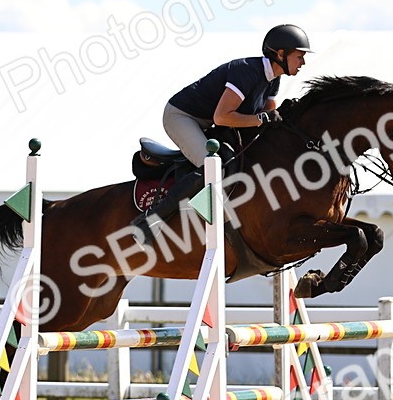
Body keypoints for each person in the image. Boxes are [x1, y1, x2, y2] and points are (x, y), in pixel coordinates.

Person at [131, 24, 311, 247]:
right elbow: (222, 117)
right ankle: (149, 221)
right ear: (281, 54)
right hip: (181, 116)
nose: (303, 62)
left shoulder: (273, 78)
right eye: (299, 57)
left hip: (207, 122)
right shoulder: (247, 72)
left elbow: (268, 116)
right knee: (210, 166)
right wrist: (262, 119)